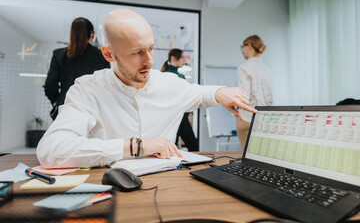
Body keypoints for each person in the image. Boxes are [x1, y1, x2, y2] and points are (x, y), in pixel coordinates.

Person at [37, 9, 257, 168]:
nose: (149, 61)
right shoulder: (87, 90)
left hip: (168, 190)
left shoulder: (168, 83)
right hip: (113, 191)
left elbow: (201, 93)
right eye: (136, 52)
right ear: (108, 54)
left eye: (151, 48)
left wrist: (221, 93)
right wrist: (137, 146)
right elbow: (51, 150)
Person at [44, 17, 110, 120]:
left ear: (72, 33)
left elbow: (50, 86)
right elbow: (107, 87)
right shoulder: (102, 57)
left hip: (66, 109)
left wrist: (58, 101)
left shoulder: (59, 55)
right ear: (92, 34)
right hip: (92, 110)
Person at [235, 35, 272, 152]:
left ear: (249, 46)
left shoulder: (243, 68)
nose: (242, 51)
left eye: (243, 47)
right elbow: (270, 98)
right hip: (263, 120)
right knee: (261, 155)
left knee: (247, 155)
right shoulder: (266, 69)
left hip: (245, 118)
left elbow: (243, 96)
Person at [160, 48, 199, 151]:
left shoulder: (179, 75)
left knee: (186, 146)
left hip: (180, 115)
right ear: (173, 58)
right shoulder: (169, 75)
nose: (184, 60)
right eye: (182, 57)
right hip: (175, 116)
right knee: (190, 146)